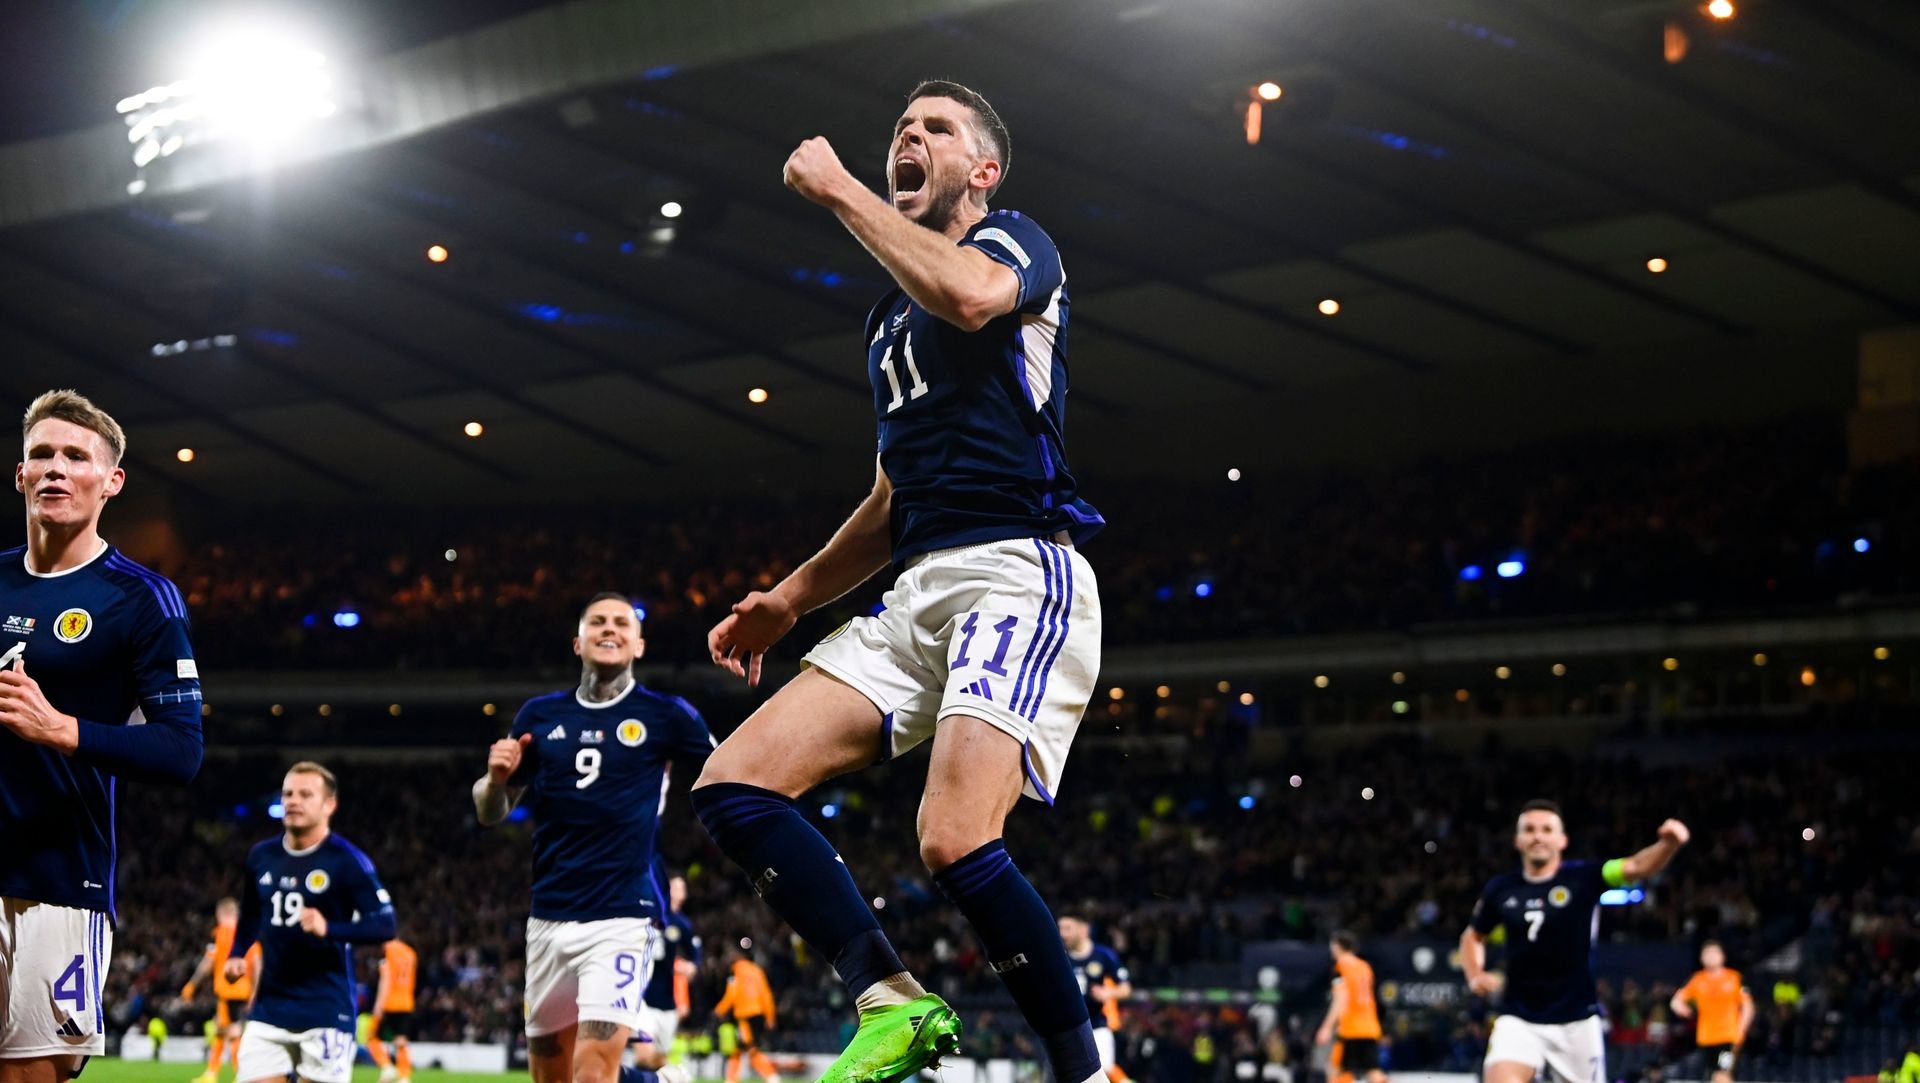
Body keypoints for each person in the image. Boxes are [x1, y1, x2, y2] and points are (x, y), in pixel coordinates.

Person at [693, 77, 1105, 1083]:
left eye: (936, 129)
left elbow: (970, 298)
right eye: (900, 131)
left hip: (1018, 567)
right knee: (733, 788)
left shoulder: (1014, 243)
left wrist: (838, 189)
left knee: (953, 838)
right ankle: (891, 1003)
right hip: (918, 583)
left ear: (983, 168)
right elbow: (892, 495)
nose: (909, 139)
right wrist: (789, 599)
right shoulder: (887, 317)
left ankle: (1083, 1071)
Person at [2, 389, 204, 1083]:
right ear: (20, 474)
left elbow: (182, 749)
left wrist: (62, 729)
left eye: (75, 456)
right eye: (41, 455)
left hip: (55, 886)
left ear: (111, 480)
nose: (55, 468)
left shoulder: (140, 598)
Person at [474, 593, 715, 1083]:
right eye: (598, 622)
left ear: (639, 645)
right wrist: (495, 781)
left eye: (622, 623)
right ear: (578, 642)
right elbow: (489, 812)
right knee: (552, 1077)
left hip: (622, 916)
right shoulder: (539, 716)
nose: (610, 629)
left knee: (592, 1074)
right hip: (548, 916)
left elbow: (726, 772)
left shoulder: (667, 715)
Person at [1459, 799, 1690, 1083]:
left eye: (1546, 829)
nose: (1538, 836)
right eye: (1529, 830)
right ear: (1517, 840)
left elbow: (1636, 867)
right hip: (1518, 1018)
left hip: (1577, 1021)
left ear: (1562, 839)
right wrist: (1475, 974)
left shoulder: (1585, 876)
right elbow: (1473, 935)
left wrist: (1668, 844)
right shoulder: (1501, 888)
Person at [225, 762, 397, 1083]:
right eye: (288, 793)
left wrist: (329, 929)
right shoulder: (261, 856)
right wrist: (237, 953)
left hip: (326, 1010)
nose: (293, 801)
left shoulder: (347, 861)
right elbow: (250, 913)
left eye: (305, 794)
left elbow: (386, 925)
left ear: (330, 805)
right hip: (269, 1009)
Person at [180, 897, 260, 1083]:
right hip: (242, 991)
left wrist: (192, 985)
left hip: (230, 991)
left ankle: (241, 1075)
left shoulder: (222, 932)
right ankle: (212, 1074)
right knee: (221, 1031)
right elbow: (256, 962)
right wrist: (254, 992)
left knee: (232, 1033)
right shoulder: (247, 934)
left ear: (221, 914)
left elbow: (208, 962)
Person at [633, 868, 699, 1073]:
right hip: (643, 997)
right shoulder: (648, 913)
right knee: (644, 1053)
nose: (679, 891)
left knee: (659, 1059)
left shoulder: (683, 924)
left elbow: (695, 956)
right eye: (675, 887)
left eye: (682, 887)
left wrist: (692, 966)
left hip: (668, 1003)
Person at [1059, 916, 1132, 1082]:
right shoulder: (1060, 957)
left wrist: (1108, 993)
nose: (1063, 934)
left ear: (1084, 929)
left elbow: (1126, 989)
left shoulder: (1103, 955)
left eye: (1068, 928)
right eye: (1060, 929)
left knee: (1106, 1067)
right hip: (1068, 1028)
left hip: (1097, 1025)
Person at [1671, 941, 1753, 1083]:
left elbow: (1748, 1006)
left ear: (1722, 956)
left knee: (1723, 1075)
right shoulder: (1697, 980)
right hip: (1706, 1038)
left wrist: (1741, 1030)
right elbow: (1676, 1001)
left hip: (1728, 1036)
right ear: (1702, 958)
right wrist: (1683, 1009)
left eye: (1714, 952)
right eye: (1707, 953)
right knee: (1715, 1076)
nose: (1711, 956)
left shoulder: (1734, 978)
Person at [1315, 932, 1385, 1083]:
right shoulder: (1365, 967)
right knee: (1372, 1072)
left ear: (1337, 947)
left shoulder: (1340, 967)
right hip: (1370, 1026)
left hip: (1350, 1028)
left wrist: (1326, 1027)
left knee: (1335, 1071)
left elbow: (1341, 999)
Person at [713, 944, 781, 1083]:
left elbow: (731, 994)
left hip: (745, 1016)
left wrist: (719, 1010)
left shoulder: (735, 972)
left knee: (750, 1049)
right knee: (742, 1048)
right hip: (759, 1014)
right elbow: (766, 995)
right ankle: (732, 1079)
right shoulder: (757, 970)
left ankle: (771, 1077)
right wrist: (770, 1017)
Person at [369, 935, 419, 1083]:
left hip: (390, 1002)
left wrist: (379, 1005)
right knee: (401, 1040)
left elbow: (386, 978)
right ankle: (404, 1077)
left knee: (372, 1037)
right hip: (406, 1002)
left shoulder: (387, 951)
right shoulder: (411, 953)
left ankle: (387, 1067)